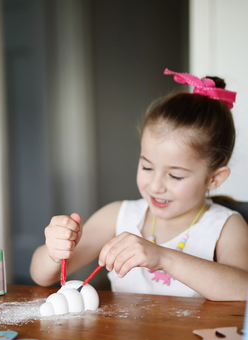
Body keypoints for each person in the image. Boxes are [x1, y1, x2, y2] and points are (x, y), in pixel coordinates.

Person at [30, 68, 248, 301]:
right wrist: (54, 252)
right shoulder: (117, 216)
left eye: (175, 176)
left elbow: (243, 289)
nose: (155, 186)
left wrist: (163, 257)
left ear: (214, 178)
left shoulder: (226, 227)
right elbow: (40, 276)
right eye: (147, 167)